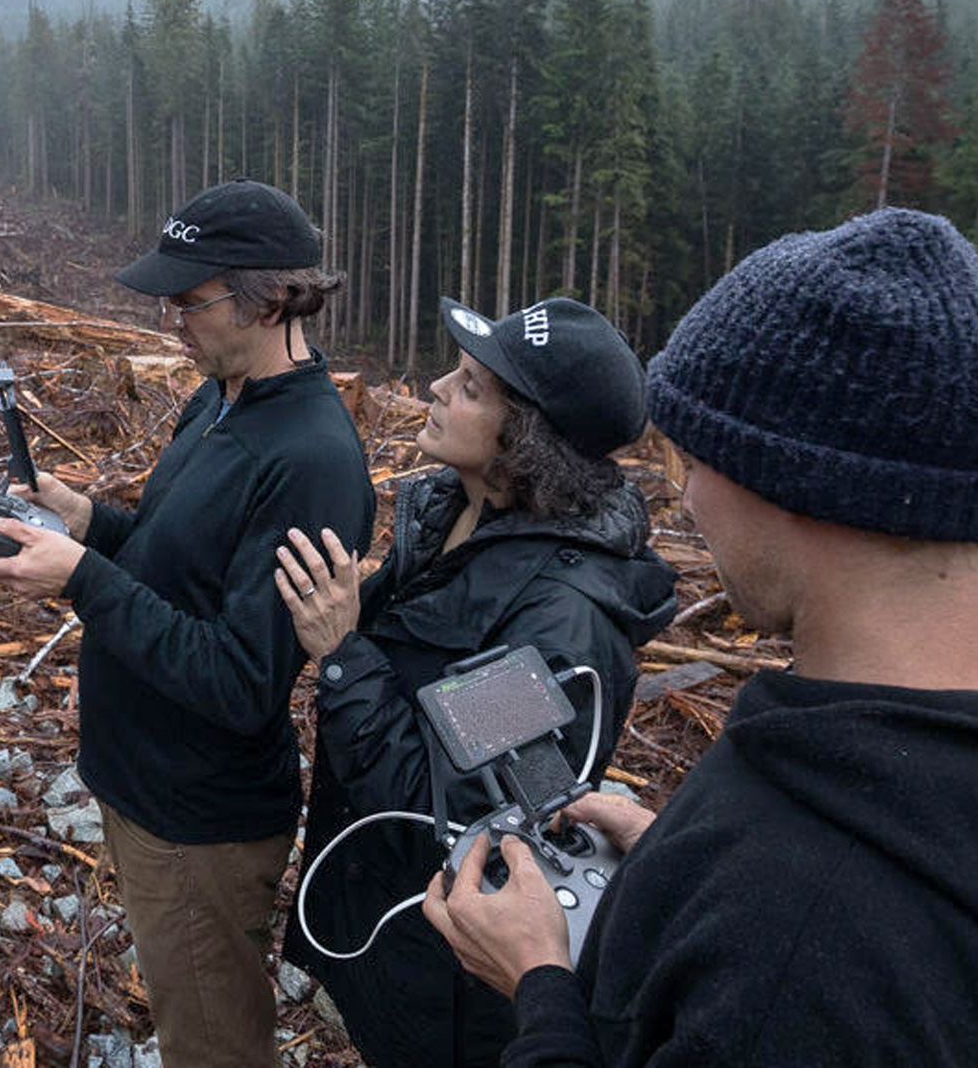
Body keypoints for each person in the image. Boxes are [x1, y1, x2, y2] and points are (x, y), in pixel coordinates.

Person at [423, 207, 978, 1068]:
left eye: (694, 460)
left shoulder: (789, 935)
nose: (689, 500)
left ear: (785, 481)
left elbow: (818, 943)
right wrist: (685, 868)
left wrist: (544, 990)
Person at [0, 179, 376, 1068]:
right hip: (144, 785)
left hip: (200, 822)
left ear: (268, 298)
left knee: (213, 1047)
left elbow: (240, 682)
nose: (170, 321)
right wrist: (89, 522)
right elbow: (174, 564)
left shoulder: (311, 461)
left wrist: (80, 577)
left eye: (187, 301)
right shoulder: (221, 397)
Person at [271, 295, 677, 1067]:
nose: (434, 389)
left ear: (523, 441)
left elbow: (453, 809)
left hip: (449, 975)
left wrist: (341, 651)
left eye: (467, 385)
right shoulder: (452, 513)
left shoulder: (560, 618)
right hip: (381, 914)